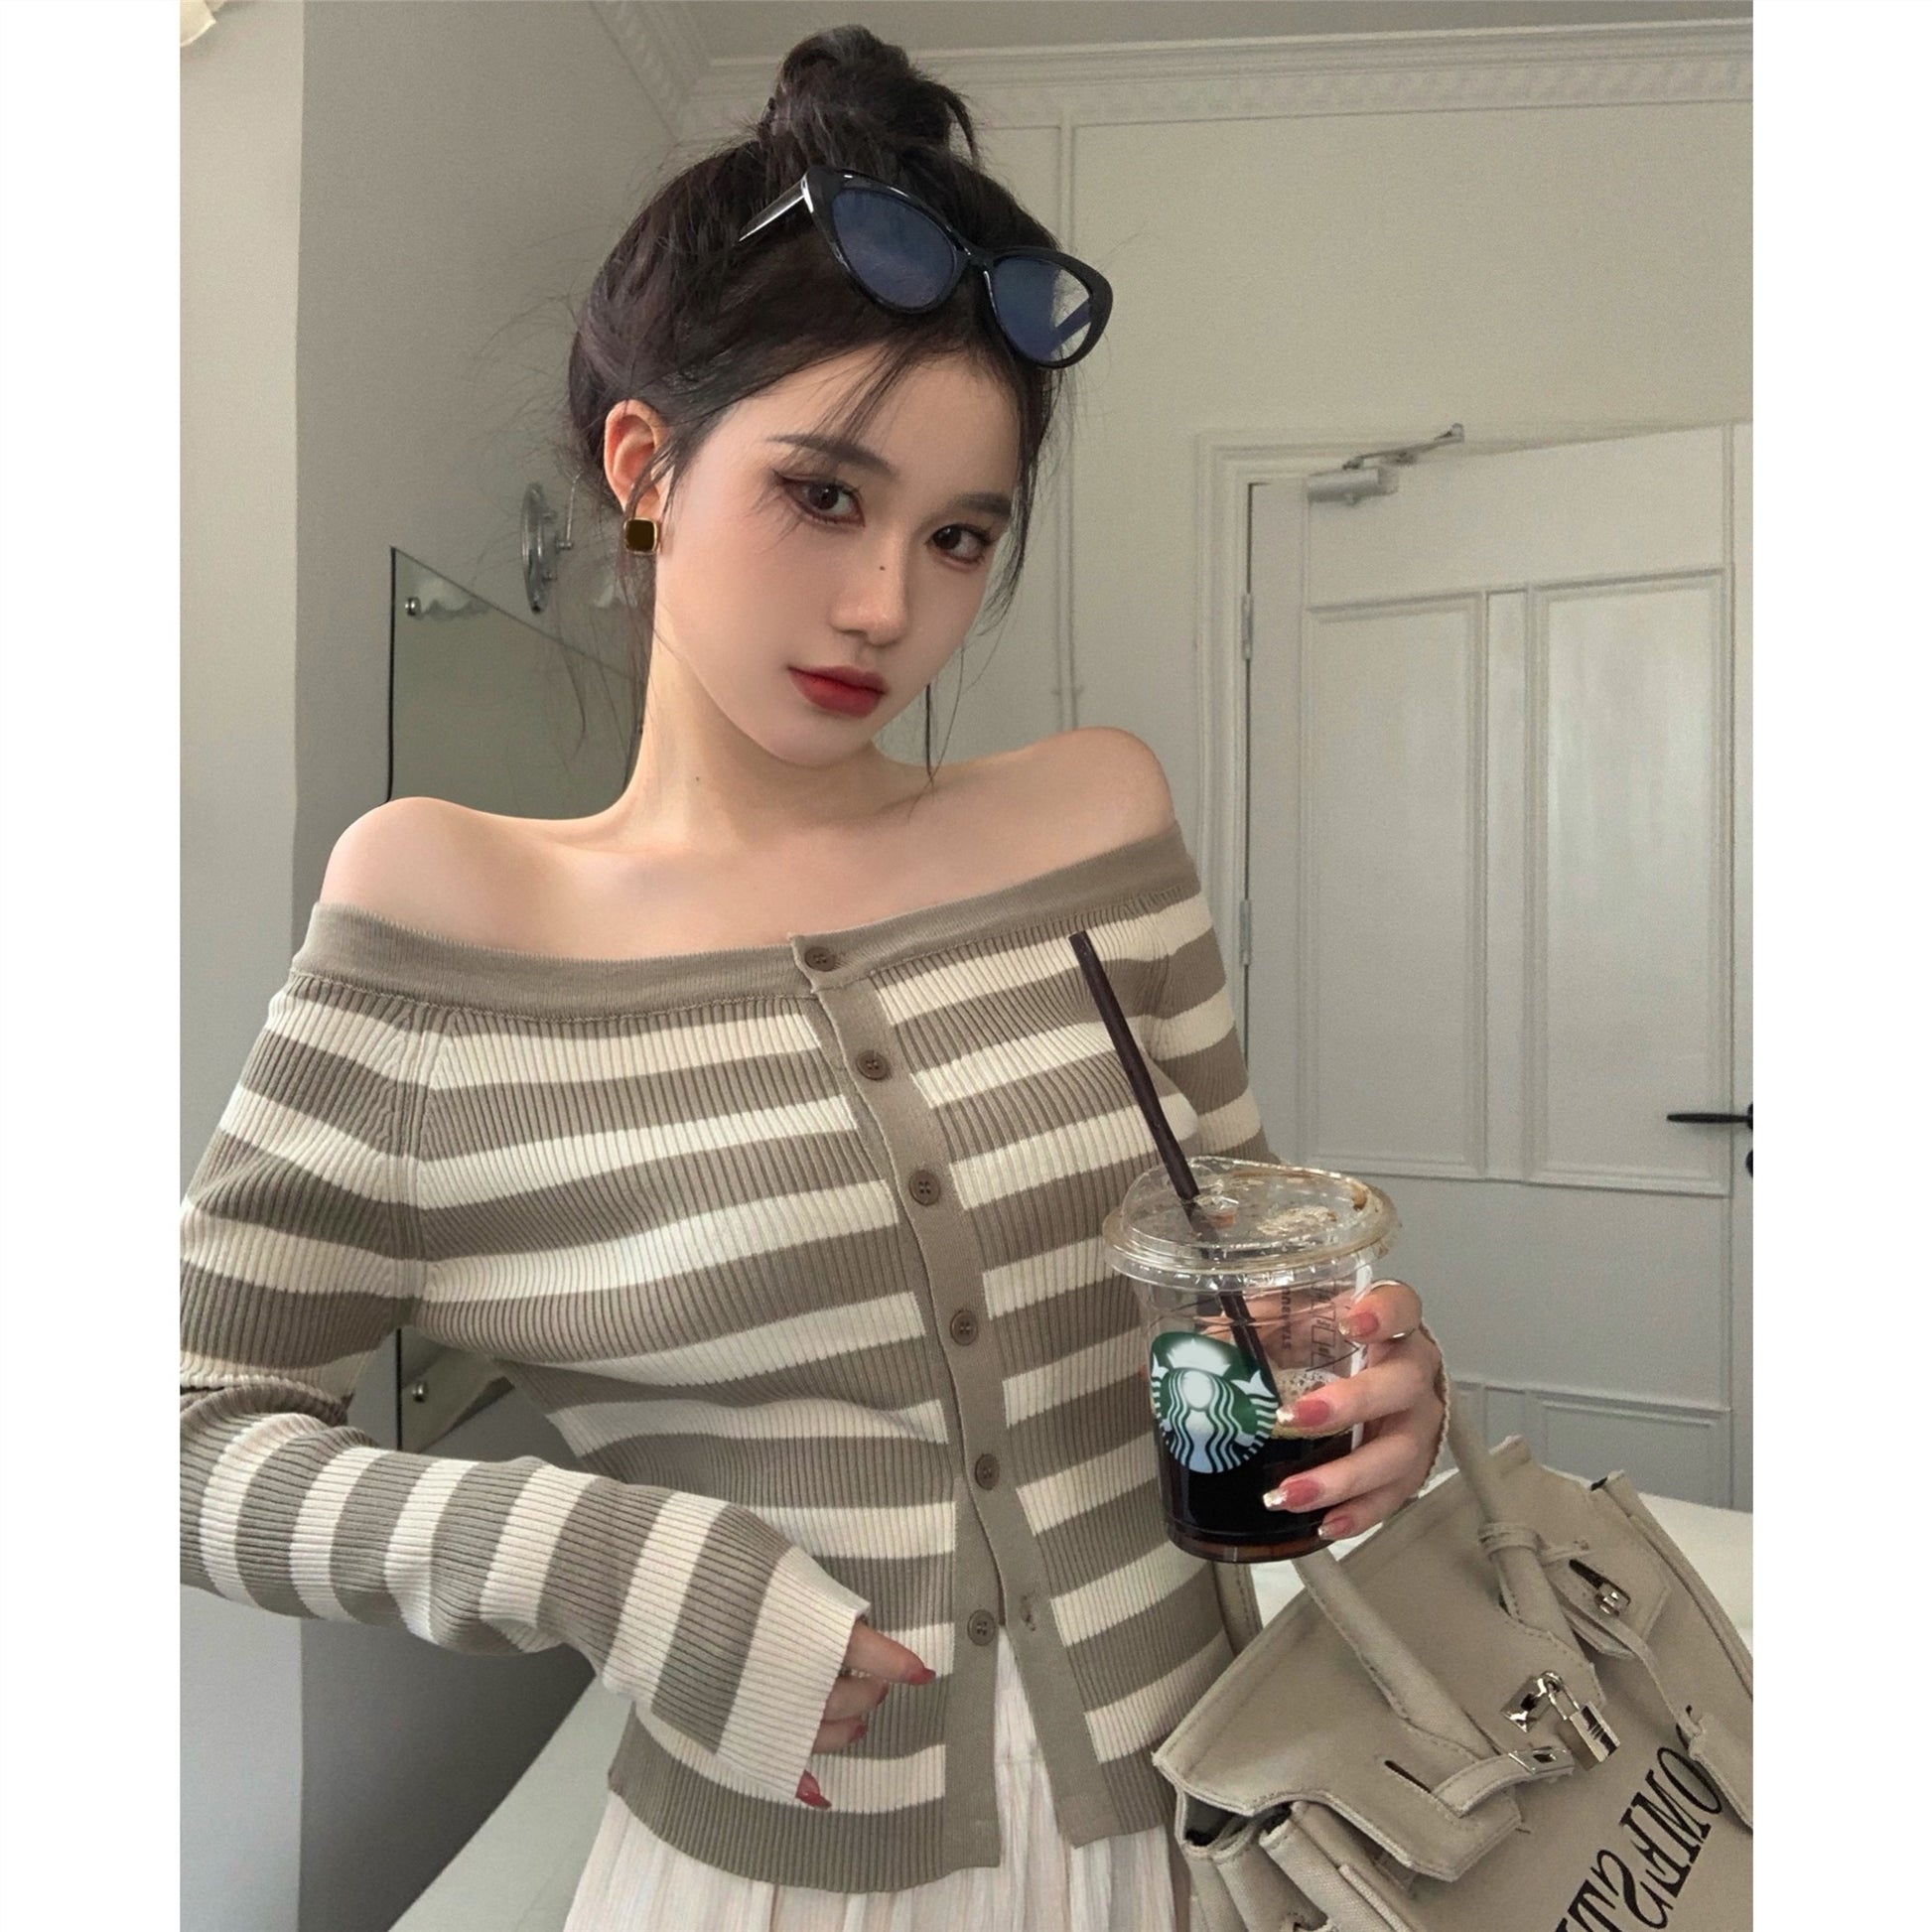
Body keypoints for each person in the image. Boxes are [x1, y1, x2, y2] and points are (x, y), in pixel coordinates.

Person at [180, 25, 1447, 1930]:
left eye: (959, 536)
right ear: (644, 469)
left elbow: (1236, 1277)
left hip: (1212, 1841)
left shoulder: (1093, 828)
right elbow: (171, 1431)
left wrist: (1371, 1391)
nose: (886, 607)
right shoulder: (446, 920)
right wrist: (613, 1563)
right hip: (782, 1883)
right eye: (823, 496)